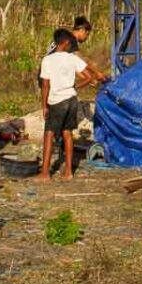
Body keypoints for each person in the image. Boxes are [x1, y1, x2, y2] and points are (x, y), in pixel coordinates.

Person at [36, 28, 93, 181]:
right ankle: (68, 171)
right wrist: (76, 87)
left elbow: (45, 85)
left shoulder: (48, 60)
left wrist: (44, 105)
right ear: (66, 43)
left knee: (49, 134)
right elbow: (88, 77)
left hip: (56, 100)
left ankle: (45, 173)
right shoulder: (72, 59)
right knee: (67, 133)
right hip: (72, 99)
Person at [44, 16, 107, 84]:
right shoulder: (71, 40)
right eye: (87, 34)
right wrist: (97, 73)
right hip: (51, 75)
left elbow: (74, 65)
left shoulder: (64, 38)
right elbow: (82, 59)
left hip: (46, 74)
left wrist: (87, 78)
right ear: (82, 30)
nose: (86, 38)